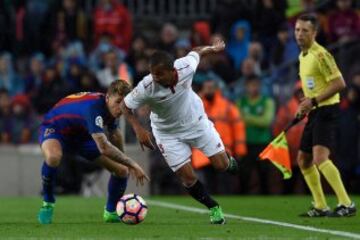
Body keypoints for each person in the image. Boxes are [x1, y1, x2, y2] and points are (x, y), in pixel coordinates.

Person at [120, 38, 238, 224]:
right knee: (188, 177)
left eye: (159, 74)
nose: (155, 78)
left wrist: (213, 48)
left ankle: (228, 161)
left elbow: (197, 51)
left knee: (222, 166)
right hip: (167, 133)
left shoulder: (185, 67)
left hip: (196, 123)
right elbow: (125, 106)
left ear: (172, 70)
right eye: (152, 73)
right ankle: (213, 207)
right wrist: (138, 129)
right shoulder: (146, 86)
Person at [37, 80, 149, 224]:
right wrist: (133, 163)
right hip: (56, 128)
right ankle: (48, 203)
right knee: (53, 157)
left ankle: (110, 212)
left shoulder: (111, 109)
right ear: (108, 97)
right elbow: (104, 147)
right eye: (118, 101)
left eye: (124, 103)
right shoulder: (94, 108)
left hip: (82, 136)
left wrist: (125, 163)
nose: (121, 107)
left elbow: (115, 134)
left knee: (121, 170)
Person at [294, 14, 356, 217]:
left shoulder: (320, 54)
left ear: (314, 33)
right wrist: (305, 103)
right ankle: (320, 206)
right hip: (314, 111)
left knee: (320, 159)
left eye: (305, 30)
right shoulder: (302, 56)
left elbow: (339, 84)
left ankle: (346, 203)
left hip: (327, 111)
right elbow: (314, 87)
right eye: (297, 30)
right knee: (303, 160)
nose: (300, 34)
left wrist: (313, 101)